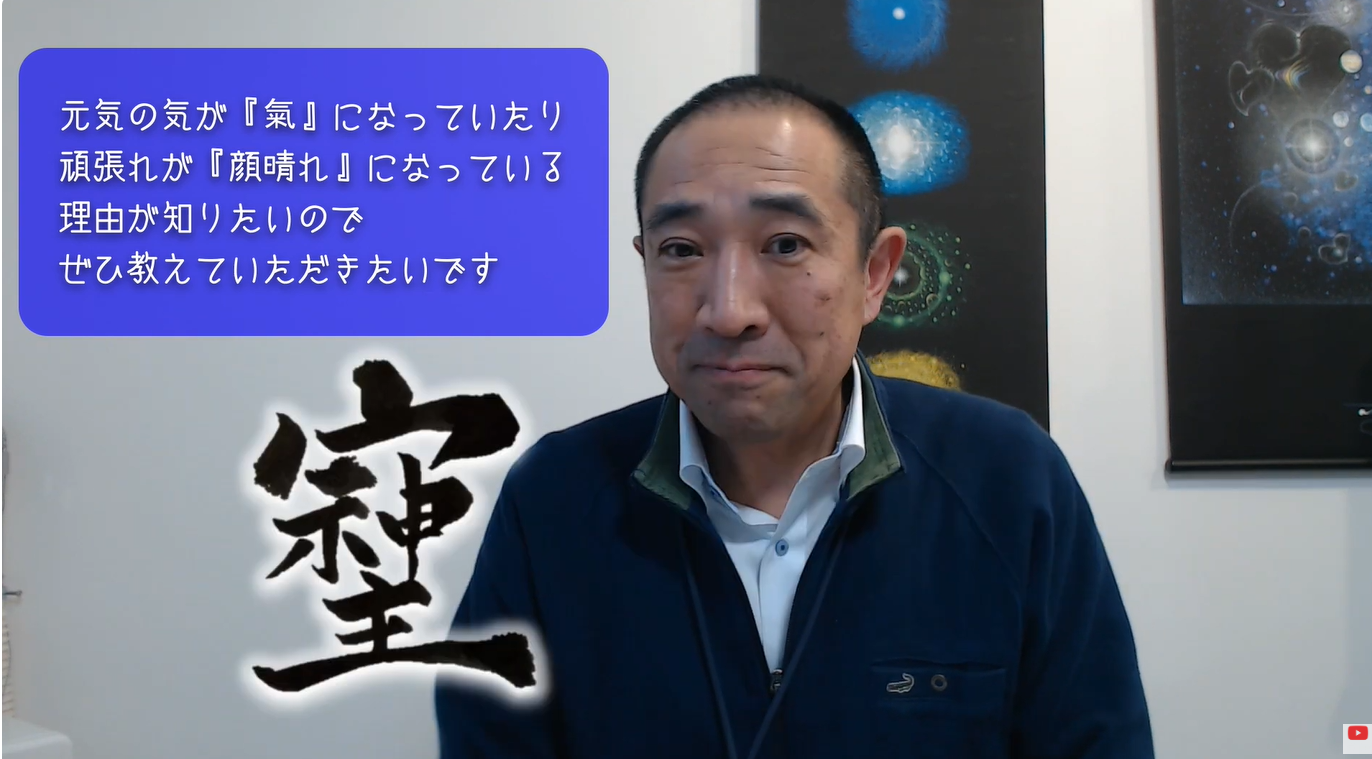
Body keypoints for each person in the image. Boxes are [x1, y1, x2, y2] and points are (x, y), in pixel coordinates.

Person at [434, 74, 1154, 759]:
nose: (729, 311)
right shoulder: (555, 498)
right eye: (681, 250)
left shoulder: (1007, 479)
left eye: (785, 245)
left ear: (875, 273)